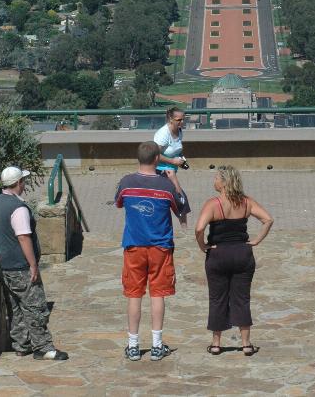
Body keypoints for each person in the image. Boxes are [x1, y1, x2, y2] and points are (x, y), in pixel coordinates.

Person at [115, 141, 186, 362]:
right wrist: (175, 182)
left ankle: (133, 345)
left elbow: (119, 203)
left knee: (134, 295)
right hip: (160, 248)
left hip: (134, 245)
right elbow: (181, 208)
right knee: (158, 294)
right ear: (157, 159)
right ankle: (156, 345)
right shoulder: (165, 187)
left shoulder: (126, 183)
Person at [0, 166, 68, 361]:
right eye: (23, 181)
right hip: (21, 266)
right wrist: (33, 264)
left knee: (16, 307)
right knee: (36, 308)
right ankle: (43, 348)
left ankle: (21, 344)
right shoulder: (18, 208)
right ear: (18, 183)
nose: (24, 184)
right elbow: (24, 238)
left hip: (5, 265)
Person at [194, 165, 273, 357]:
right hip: (242, 253)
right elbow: (268, 219)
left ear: (224, 182)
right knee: (242, 298)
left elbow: (199, 228)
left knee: (217, 298)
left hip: (218, 254)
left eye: (216, 178)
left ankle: (216, 343)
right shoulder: (246, 202)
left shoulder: (213, 204)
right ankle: (246, 344)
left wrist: (202, 245)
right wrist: (256, 240)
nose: (214, 181)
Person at [153, 106, 191, 224]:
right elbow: (155, 155)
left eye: (183, 119)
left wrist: (181, 158)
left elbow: (176, 149)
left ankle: (183, 229)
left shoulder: (179, 131)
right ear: (170, 119)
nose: (182, 122)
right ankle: (184, 229)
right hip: (161, 171)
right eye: (179, 120)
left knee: (175, 200)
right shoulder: (163, 134)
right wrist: (173, 161)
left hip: (171, 170)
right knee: (180, 199)